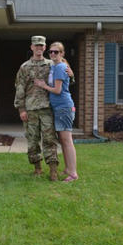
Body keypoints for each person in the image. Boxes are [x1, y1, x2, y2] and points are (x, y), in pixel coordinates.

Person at [14, 35, 71, 181]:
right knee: (32, 140)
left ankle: (53, 171)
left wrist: (72, 74)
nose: (39, 48)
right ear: (32, 47)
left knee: (49, 140)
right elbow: (20, 88)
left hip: (47, 108)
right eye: (36, 45)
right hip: (31, 109)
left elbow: (66, 76)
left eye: (41, 46)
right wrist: (21, 109)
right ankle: (37, 168)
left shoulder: (52, 64)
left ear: (45, 48)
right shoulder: (24, 67)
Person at [34, 41, 79, 182]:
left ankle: (73, 173)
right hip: (59, 108)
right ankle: (68, 168)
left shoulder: (60, 67)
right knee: (63, 140)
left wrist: (43, 85)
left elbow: (58, 90)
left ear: (62, 53)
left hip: (63, 107)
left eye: (56, 52)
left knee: (67, 140)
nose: (53, 54)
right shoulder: (56, 66)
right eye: (51, 52)